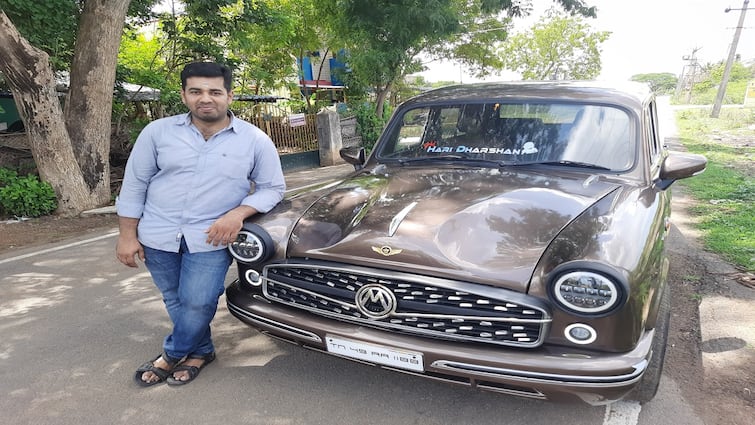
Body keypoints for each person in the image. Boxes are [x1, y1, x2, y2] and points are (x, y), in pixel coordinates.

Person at [115, 61, 285, 387]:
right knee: (175, 298)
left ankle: (170, 353)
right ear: (184, 95)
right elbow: (135, 185)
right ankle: (201, 351)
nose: (205, 98)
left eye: (214, 91)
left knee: (200, 300)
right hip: (157, 234)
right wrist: (127, 235)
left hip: (211, 237)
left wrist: (237, 214)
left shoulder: (254, 140)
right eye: (196, 91)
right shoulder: (157, 133)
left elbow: (273, 188)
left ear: (229, 96)